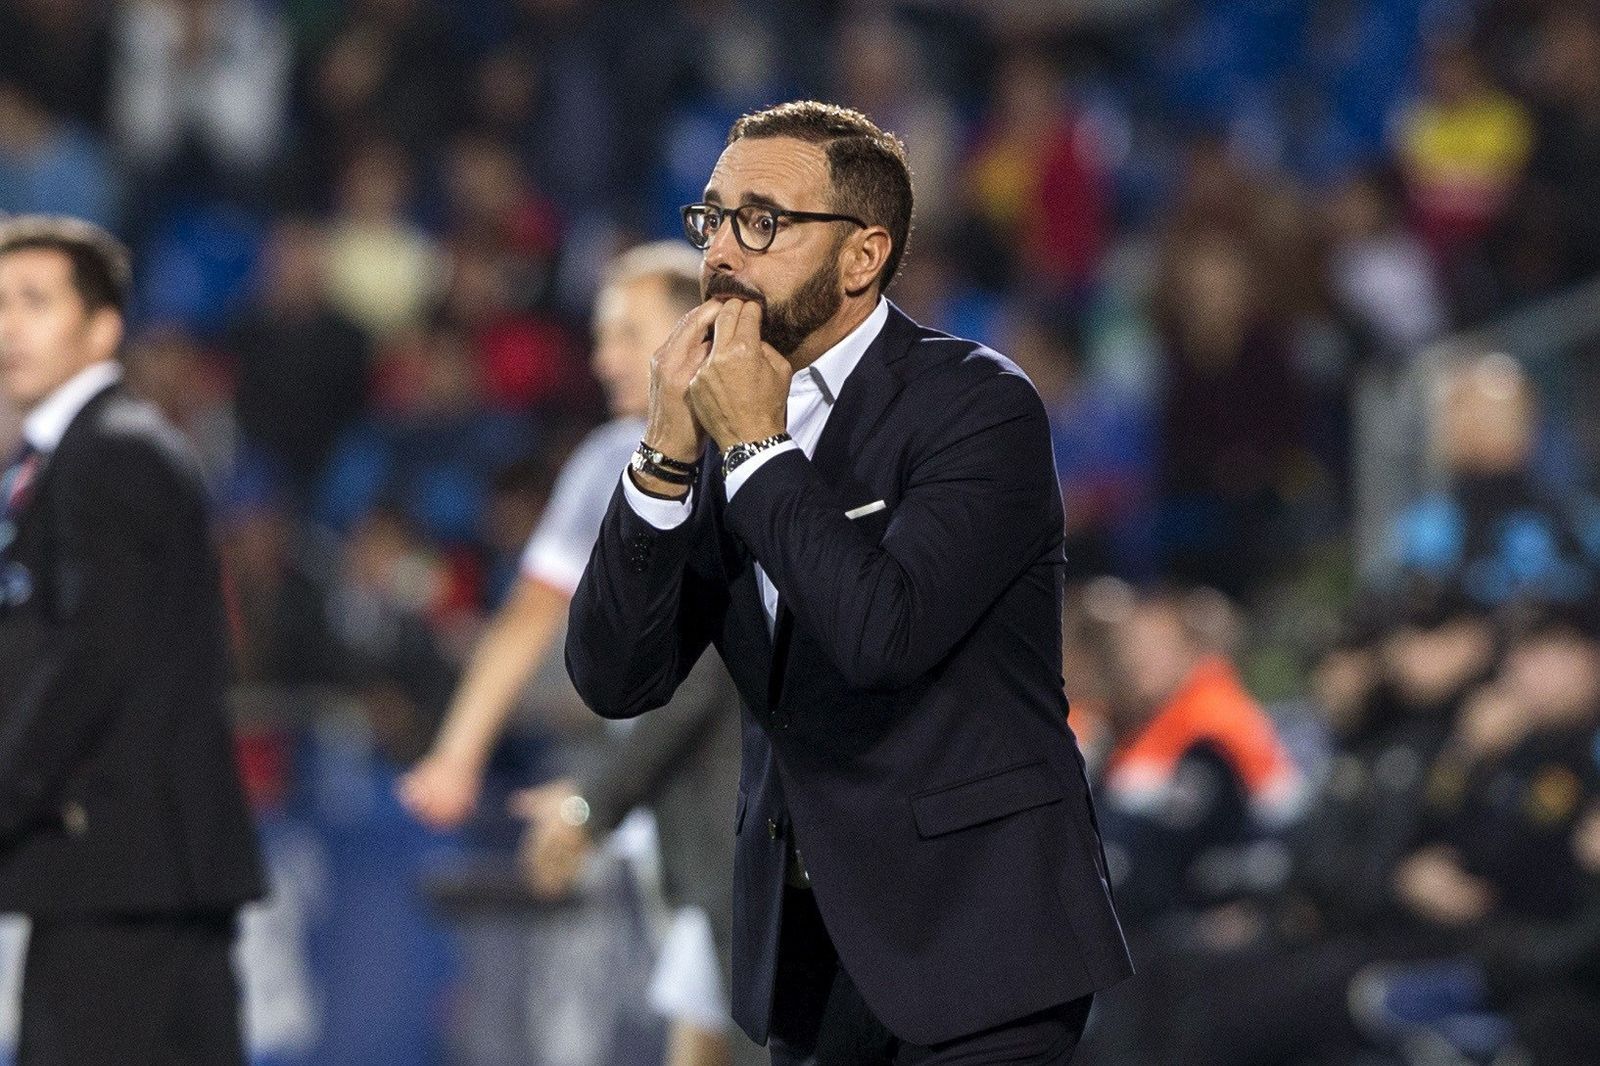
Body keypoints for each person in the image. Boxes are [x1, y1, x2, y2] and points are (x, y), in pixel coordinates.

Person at [565, 100, 1132, 1065]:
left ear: (863, 256)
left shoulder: (976, 405)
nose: (721, 254)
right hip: (810, 958)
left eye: (762, 222)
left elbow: (883, 635)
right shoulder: (714, 426)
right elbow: (616, 678)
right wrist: (662, 457)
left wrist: (755, 447)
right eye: (713, 219)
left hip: (979, 938)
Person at [398, 241, 758, 1066]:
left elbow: (706, 676)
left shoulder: (750, 445)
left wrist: (596, 801)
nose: (604, 358)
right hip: (676, 804)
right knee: (705, 1020)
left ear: (697, 331)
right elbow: (531, 617)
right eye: (601, 336)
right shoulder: (609, 459)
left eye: (628, 333)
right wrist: (458, 756)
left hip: (745, 810)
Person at [0, 215, 265, 1065]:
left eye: (35, 301)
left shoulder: (109, 453)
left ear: (103, 327)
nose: (8, 326)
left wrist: (7, 792)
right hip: (138, 872)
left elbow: (92, 653)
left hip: (118, 871)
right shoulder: (90, 452)